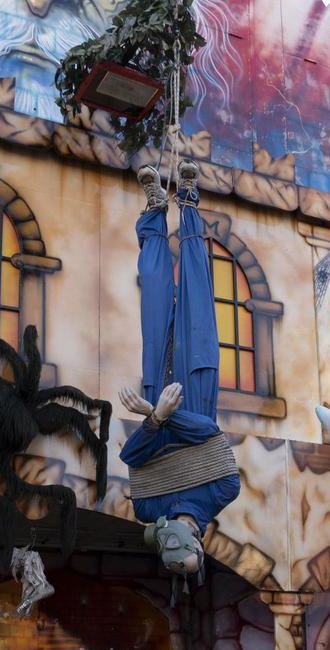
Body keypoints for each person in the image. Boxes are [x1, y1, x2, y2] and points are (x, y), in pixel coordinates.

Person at [118, 162, 240, 578]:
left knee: (152, 285)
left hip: (160, 400)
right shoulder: (222, 491)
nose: (173, 536)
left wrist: (155, 420)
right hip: (195, 394)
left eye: (169, 547)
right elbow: (207, 433)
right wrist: (164, 421)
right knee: (195, 286)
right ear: (198, 544)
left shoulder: (148, 508)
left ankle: (154, 210)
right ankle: (187, 203)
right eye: (182, 545)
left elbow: (130, 455)